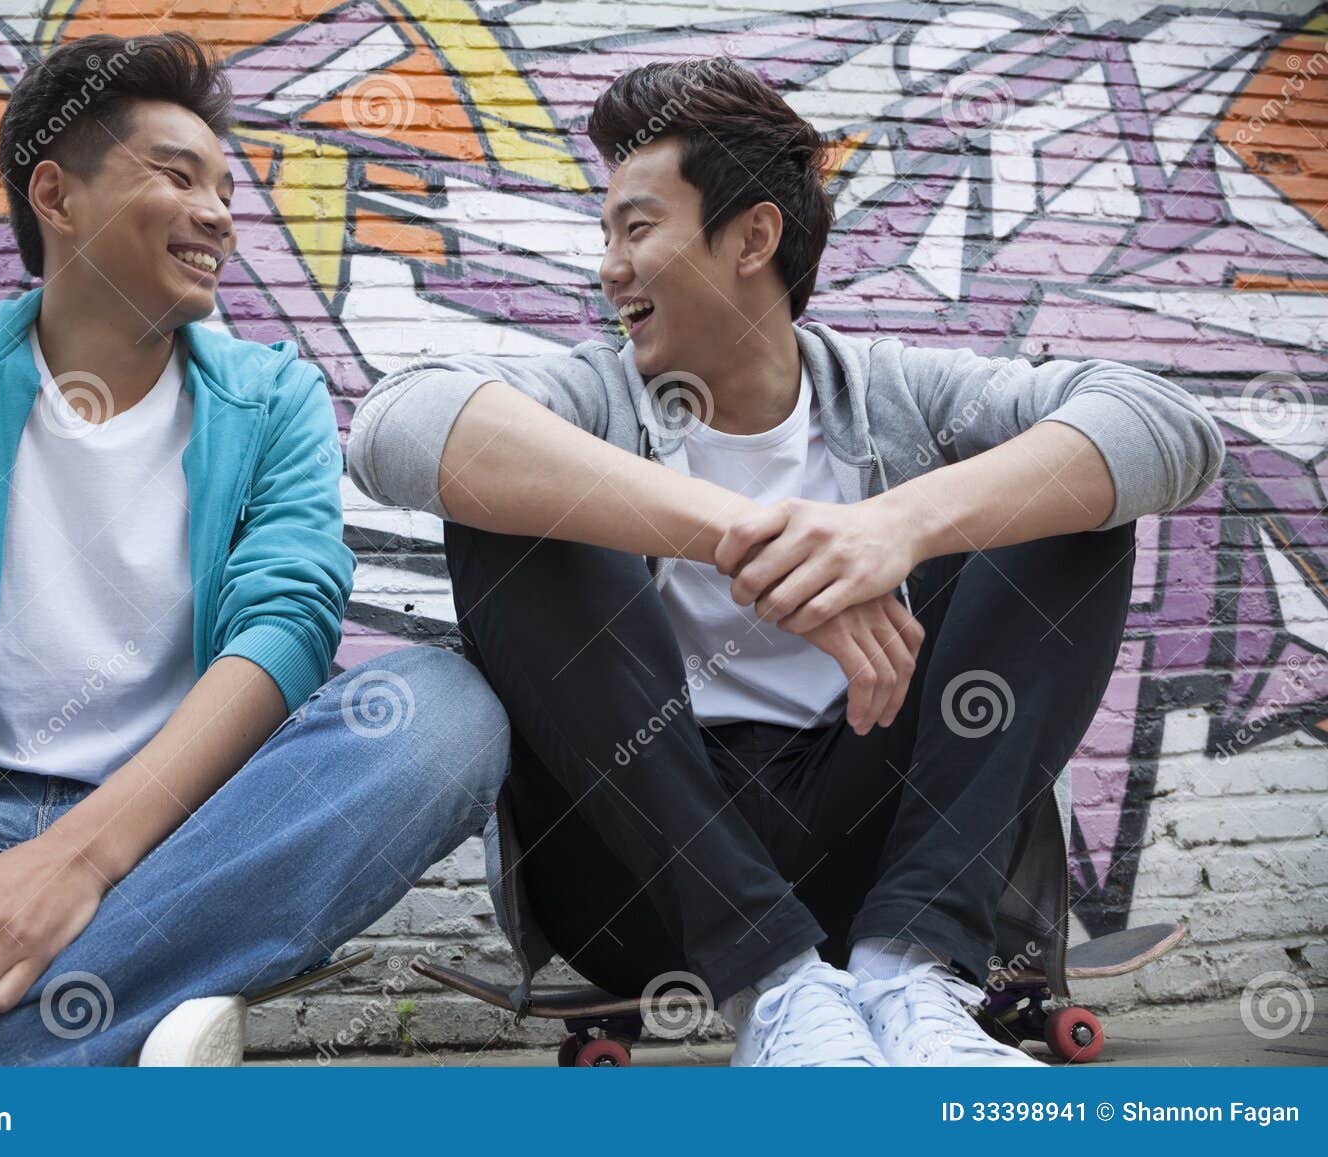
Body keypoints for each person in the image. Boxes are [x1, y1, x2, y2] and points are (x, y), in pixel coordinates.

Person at [347, 58, 1224, 1066]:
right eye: (606, 236)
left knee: (1072, 496)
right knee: (509, 500)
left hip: (873, 853)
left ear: (751, 236)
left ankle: (911, 976)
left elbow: (1165, 423)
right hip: (641, 878)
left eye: (637, 229)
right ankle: (771, 985)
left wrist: (894, 527)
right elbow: (396, 424)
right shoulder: (588, 395)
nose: (609, 267)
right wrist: (737, 536)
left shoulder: (895, 390)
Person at [0, 31, 508, 1067]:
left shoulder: (270, 398)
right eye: (177, 175)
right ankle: (70, 1018)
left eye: (226, 185)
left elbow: (284, 629)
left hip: (173, 852)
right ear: (55, 196)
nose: (222, 213)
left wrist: (76, 863)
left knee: (442, 717)